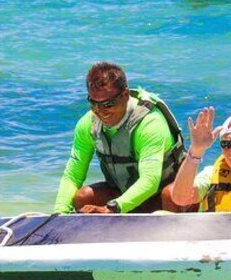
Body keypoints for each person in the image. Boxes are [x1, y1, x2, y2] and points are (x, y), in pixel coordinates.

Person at [53, 62, 185, 214]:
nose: (100, 111)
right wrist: (59, 213)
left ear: (125, 95)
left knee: (171, 195)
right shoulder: (87, 125)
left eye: (108, 104)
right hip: (124, 197)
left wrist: (112, 208)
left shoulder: (149, 124)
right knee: (83, 197)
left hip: (164, 198)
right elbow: (73, 175)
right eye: (94, 103)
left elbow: (150, 180)